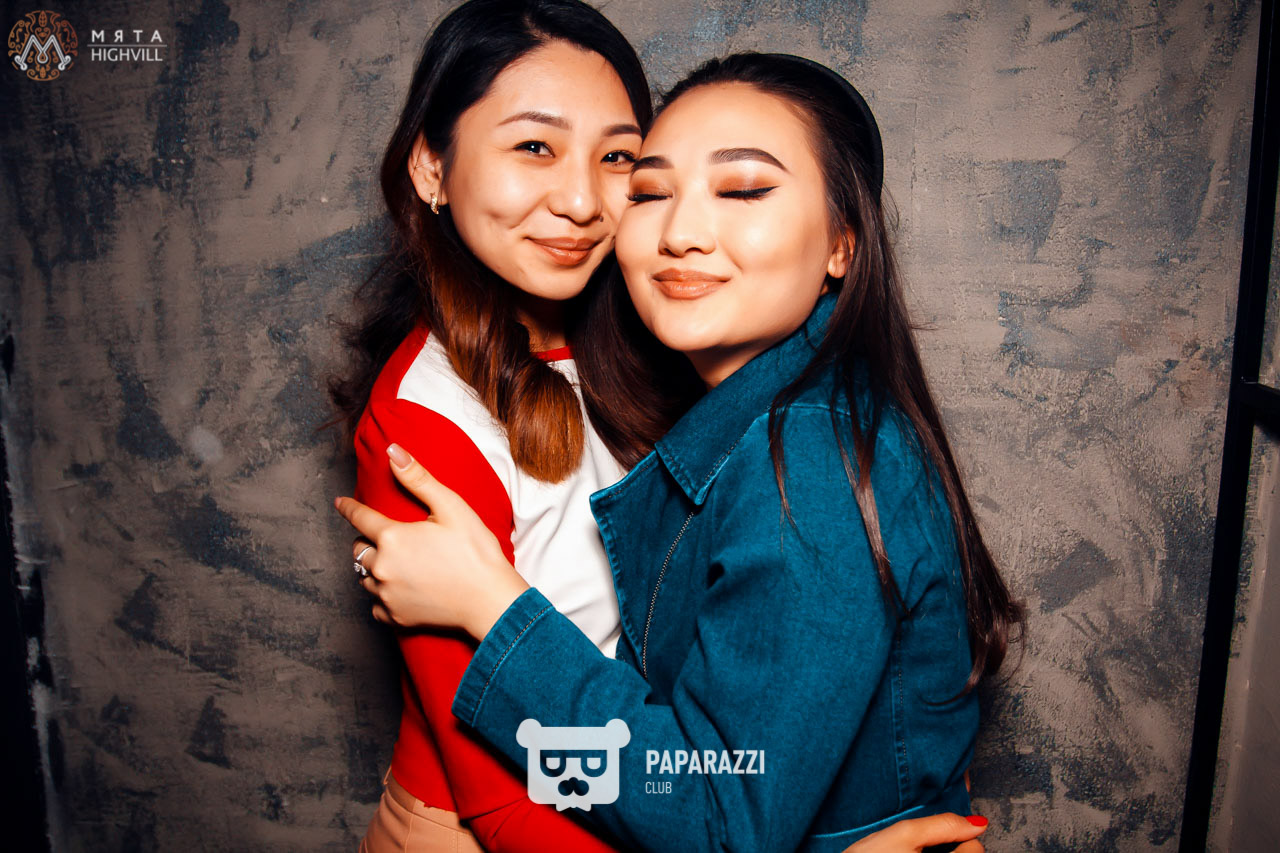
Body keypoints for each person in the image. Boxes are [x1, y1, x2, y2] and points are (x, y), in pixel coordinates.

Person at [335, 51, 1024, 852]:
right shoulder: (748, 403)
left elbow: (718, 813)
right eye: (652, 192)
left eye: (744, 190)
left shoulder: (807, 457)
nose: (680, 234)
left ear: (843, 242)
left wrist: (493, 607)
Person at [327, 1, 692, 849]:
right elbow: (507, 798)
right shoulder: (425, 421)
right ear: (431, 166)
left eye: (616, 157)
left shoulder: (657, 344)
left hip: (632, 797)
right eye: (534, 147)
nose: (582, 200)